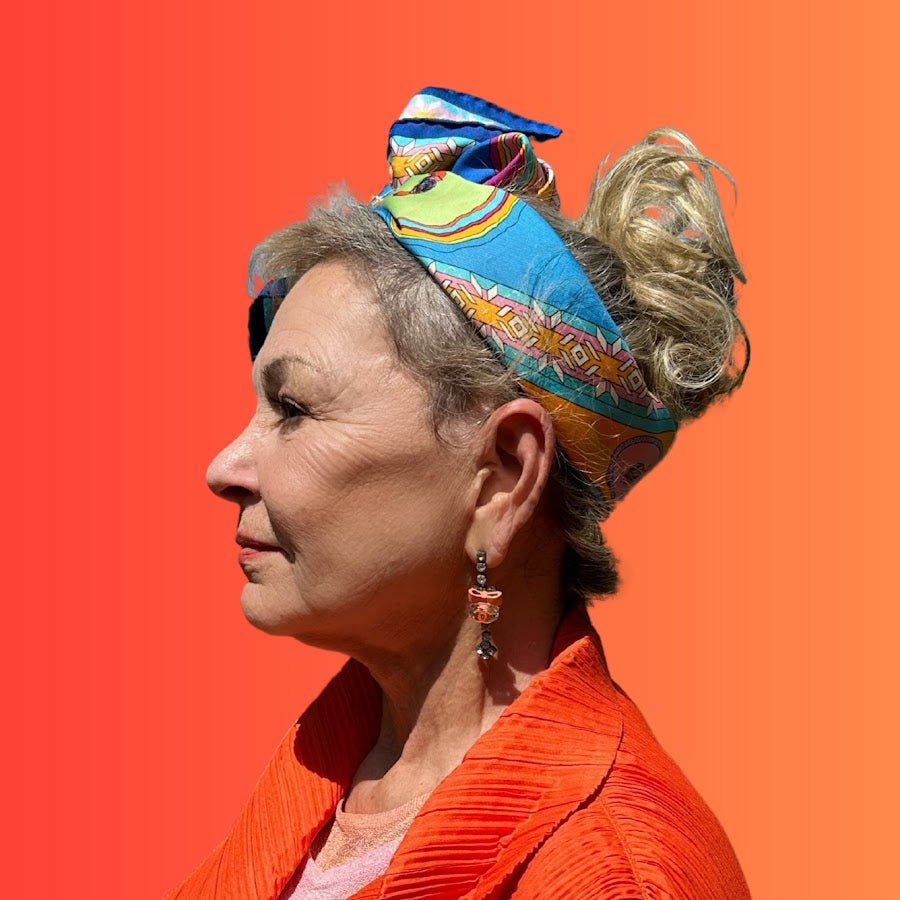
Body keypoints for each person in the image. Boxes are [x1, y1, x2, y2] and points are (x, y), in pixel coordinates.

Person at [169, 87, 752, 899]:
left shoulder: (613, 873)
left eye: (294, 410)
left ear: (504, 474)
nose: (224, 467)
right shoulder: (330, 775)